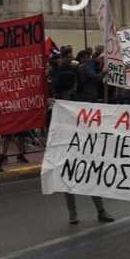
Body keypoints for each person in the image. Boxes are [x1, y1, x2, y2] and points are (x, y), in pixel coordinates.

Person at [50, 48, 113, 225]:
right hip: (71, 143)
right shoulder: (64, 105)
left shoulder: (70, 104)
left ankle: (82, 213)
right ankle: (94, 211)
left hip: (78, 143)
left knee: (84, 175)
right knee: (77, 176)